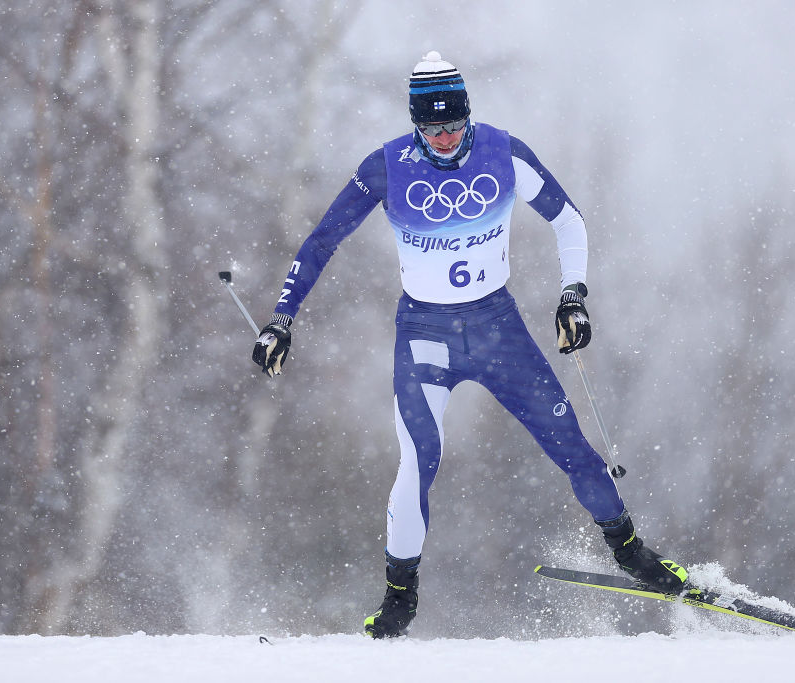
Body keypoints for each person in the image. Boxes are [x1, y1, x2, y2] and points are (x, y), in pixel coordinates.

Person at [252, 52, 687, 638]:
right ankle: (399, 597)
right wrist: (282, 319)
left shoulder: (503, 153)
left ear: (469, 116)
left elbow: (569, 220)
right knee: (417, 460)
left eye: (455, 126)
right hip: (425, 333)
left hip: (496, 328)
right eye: (432, 129)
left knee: (572, 447)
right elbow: (320, 240)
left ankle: (631, 552)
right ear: (416, 126)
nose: (446, 139)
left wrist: (572, 296)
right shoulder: (385, 167)